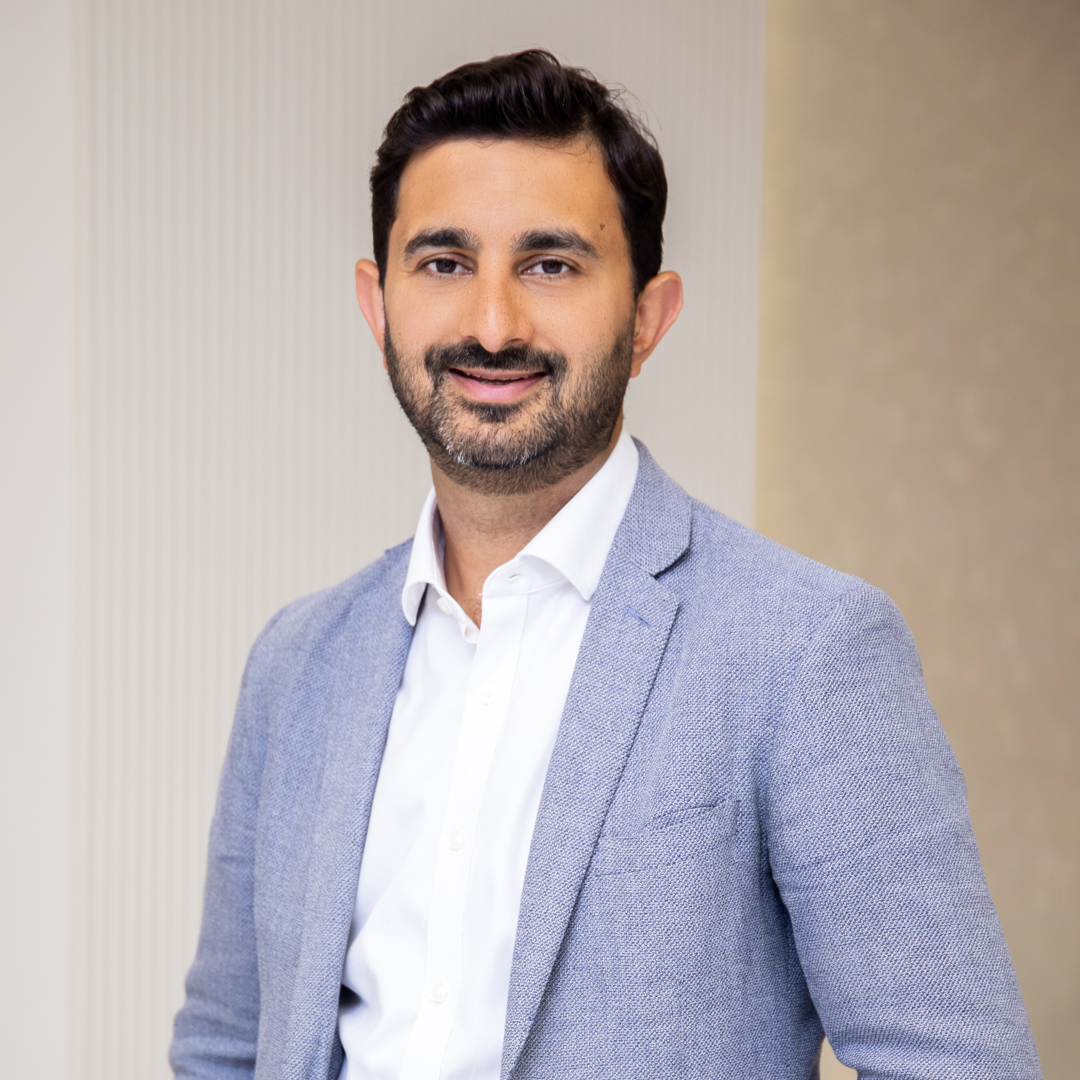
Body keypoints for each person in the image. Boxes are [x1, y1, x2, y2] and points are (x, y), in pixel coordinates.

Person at [170, 50, 1040, 1080]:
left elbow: (957, 1063)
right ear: (378, 304)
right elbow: (225, 1049)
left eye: (551, 265)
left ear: (647, 318)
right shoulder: (296, 665)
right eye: (444, 263)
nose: (493, 324)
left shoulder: (806, 651)